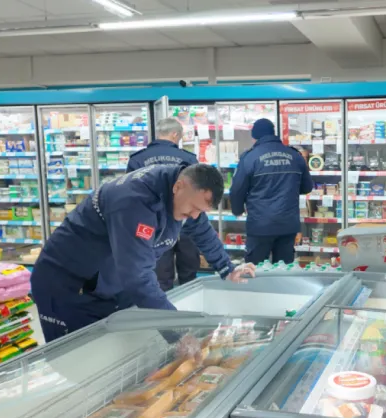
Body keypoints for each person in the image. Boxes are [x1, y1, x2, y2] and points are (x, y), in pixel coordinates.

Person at [31, 164, 255, 342]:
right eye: (194, 209)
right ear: (179, 186)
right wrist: (178, 332)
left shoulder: (183, 195)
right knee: (82, 363)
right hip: (68, 285)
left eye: (201, 211)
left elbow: (201, 230)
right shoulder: (134, 202)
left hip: (107, 285)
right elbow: (137, 276)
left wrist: (227, 268)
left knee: (113, 357)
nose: (195, 216)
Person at [128, 118, 200, 291]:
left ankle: (163, 312)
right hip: (185, 223)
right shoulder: (188, 159)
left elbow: (131, 197)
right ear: (175, 135)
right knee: (189, 274)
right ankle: (189, 310)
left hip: (153, 226)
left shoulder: (137, 160)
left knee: (160, 277)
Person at [229, 118, 313, 264]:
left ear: (255, 135)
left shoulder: (250, 157)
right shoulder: (295, 156)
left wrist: (237, 210)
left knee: (255, 271)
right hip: (288, 225)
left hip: (260, 225)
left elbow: (237, 189)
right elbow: (307, 187)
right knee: (283, 273)